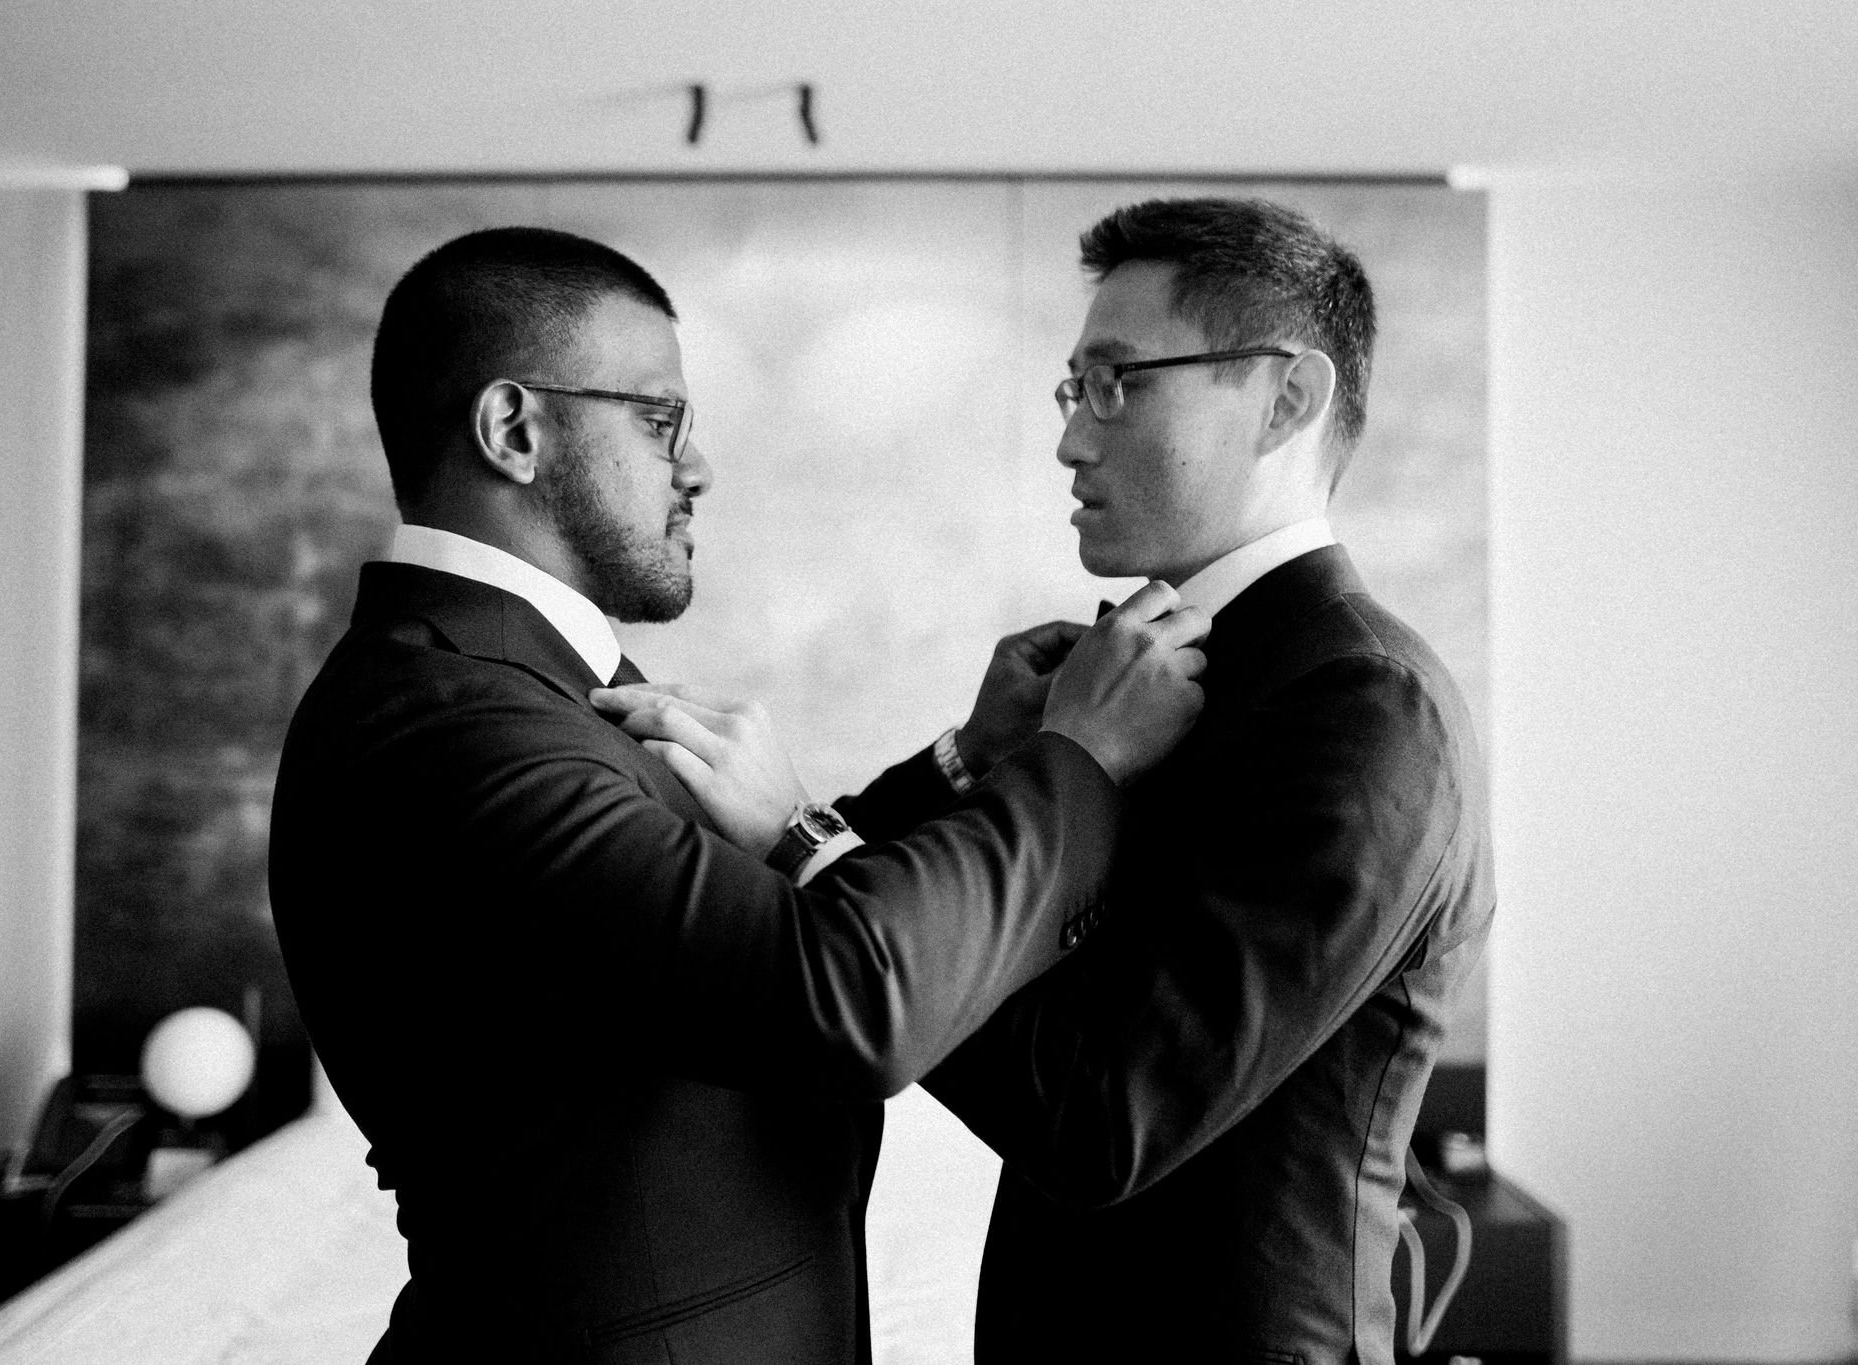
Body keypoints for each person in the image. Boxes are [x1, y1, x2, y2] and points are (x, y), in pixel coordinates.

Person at [266, 225, 1210, 1365]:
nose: (698, 467)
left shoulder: (512, 687)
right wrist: (1081, 761)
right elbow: (845, 995)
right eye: (660, 420)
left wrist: (964, 762)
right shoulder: (448, 726)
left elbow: (728, 935)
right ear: (514, 430)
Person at [608, 197, 1494, 1363]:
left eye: (1118, 382)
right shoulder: (1132, 672)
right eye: (1073, 391)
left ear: (1286, 397)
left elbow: (1100, 1123)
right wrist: (969, 759)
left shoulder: (1364, 708)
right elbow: (932, 911)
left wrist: (796, 828)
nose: (1072, 440)